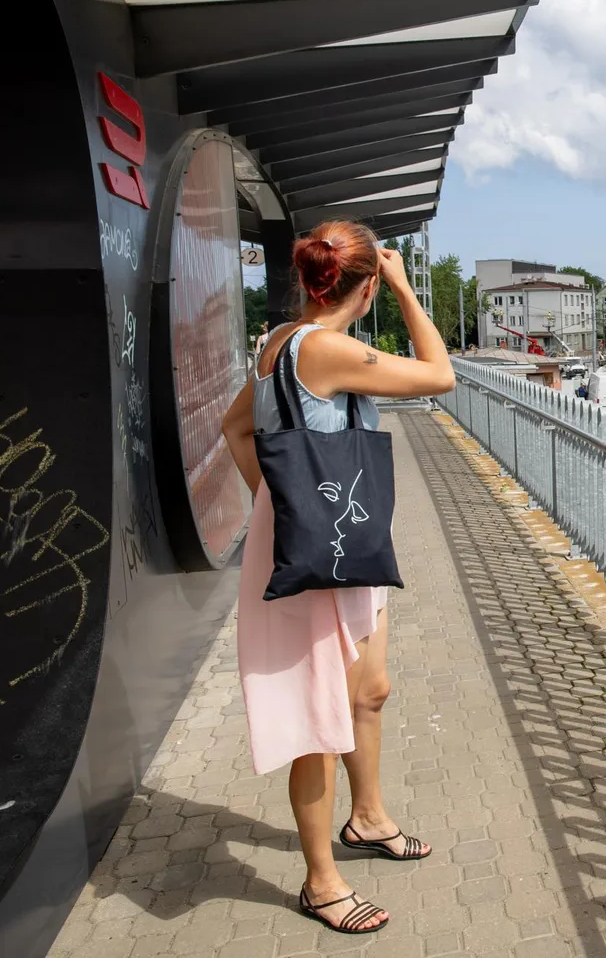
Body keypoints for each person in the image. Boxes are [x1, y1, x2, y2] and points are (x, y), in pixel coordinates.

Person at [220, 221, 454, 935]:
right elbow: (440, 372)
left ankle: (369, 816)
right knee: (317, 721)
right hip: (319, 555)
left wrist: (279, 502)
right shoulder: (325, 348)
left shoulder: (282, 342)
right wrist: (411, 289)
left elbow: (236, 430)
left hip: (341, 543)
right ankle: (322, 882)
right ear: (368, 283)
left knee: (368, 689)